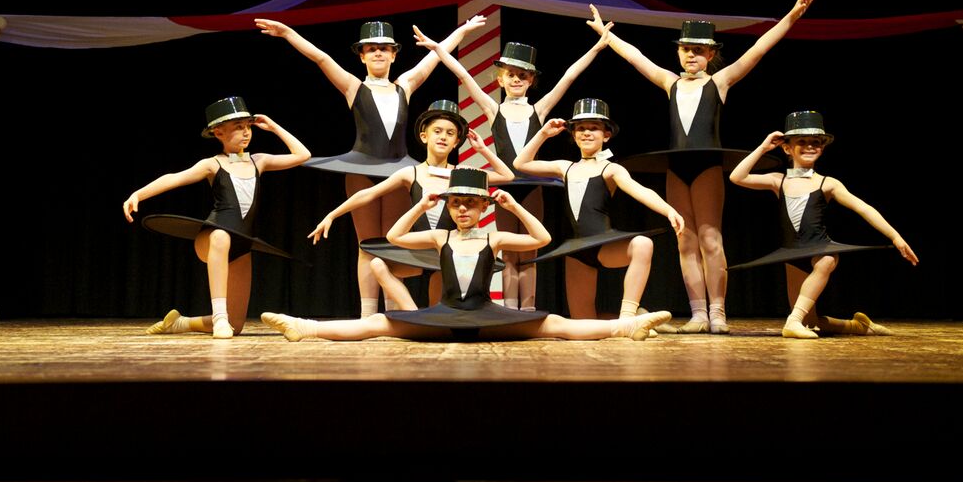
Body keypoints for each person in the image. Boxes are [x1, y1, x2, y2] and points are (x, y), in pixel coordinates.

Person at [587, 0, 816, 334]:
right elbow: (636, 57)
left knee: (710, 238)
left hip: (706, 166)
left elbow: (759, 49)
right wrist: (607, 35)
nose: (691, 55)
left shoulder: (719, 82)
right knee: (685, 240)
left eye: (698, 50)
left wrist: (792, 16)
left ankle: (717, 312)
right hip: (676, 168)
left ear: (710, 54)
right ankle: (698, 314)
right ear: (678, 52)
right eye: (686, 49)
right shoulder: (670, 82)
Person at [262, 169, 672, 342]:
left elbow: (543, 237)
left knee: (558, 325)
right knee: (377, 324)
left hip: (486, 316)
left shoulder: (494, 239)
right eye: (456, 203)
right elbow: (395, 235)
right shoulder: (439, 236)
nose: (461, 209)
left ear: (482, 209)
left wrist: (514, 206)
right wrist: (422, 205)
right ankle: (304, 327)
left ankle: (626, 326)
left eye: (470, 204)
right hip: (444, 317)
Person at [254, 16, 486, 316]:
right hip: (361, 171)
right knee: (366, 244)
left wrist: (463, 30)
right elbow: (321, 58)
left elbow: (435, 56)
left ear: (394, 55)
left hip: (396, 171)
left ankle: (393, 312)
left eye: (384, 48)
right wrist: (288, 33)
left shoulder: (405, 86)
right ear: (362, 56)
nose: (378, 53)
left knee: (391, 242)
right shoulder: (354, 87)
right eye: (371, 49)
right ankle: (367, 314)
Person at [413, 22, 612, 312]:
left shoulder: (538, 109)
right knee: (507, 253)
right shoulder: (494, 109)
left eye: (523, 75)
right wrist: (437, 49)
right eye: (511, 74)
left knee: (529, 251)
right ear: (500, 79)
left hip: (533, 186)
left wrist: (597, 46)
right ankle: (508, 308)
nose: (516, 79)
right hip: (505, 186)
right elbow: (464, 75)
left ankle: (527, 310)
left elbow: (568, 77)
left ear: (531, 80)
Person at [124, 97, 310, 339]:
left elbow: (303, 154)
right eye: (238, 127)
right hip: (212, 238)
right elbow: (174, 177)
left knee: (237, 325)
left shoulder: (259, 161)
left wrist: (273, 126)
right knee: (222, 237)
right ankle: (219, 317)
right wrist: (138, 194)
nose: (246, 132)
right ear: (218, 132)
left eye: (248, 126)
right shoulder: (212, 164)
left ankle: (181, 323)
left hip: (241, 244)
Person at [307, 99, 514, 309]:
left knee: (438, 308)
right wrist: (332, 215)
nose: (443, 137)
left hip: (446, 252)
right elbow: (368, 194)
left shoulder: (461, 174)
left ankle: (425, 318)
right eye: (437, 131)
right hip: (418, 247)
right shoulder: (411, 173)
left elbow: (506, 176)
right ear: (424, 136)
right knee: (378, 263)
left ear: (456, 142)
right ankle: (400, 314)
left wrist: (482, 149)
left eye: (450, 133)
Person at [729, 111, 918, 339]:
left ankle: (792, 321)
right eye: (802, 142)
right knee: (811, 322)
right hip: (792, 253)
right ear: (787, 148)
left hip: (818, 246)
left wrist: (895, 237)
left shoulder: (828, 183)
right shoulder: (778, 180)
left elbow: (864, 208)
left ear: (822, 147)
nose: (810, 146)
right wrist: (763, 147)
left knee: (828, 260)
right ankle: (857, 326)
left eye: (816, 142)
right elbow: (737, 177)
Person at [513, 99, 685, 321]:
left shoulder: (611, 169)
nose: (586, 133)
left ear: (606, 135)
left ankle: (627, 317)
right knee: (583, 322)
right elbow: (520, 163)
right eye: (581, 128)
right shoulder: (565, 167)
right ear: (573, 135)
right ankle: (641, 319)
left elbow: (640, 190)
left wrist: (669, 211)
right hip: (577, 250)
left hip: (604, 245)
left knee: (643, 244)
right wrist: (543, 134)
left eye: (593, 128)